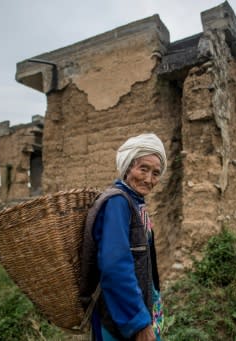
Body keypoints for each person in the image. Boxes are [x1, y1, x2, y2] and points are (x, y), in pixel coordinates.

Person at [80, 133, 166, 341]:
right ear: (128, 167)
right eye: (143, 169)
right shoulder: (117, 203)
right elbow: (115, 267)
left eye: (155, 173)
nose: (149, 179)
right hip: (119, 319)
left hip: (137, 310)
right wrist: (139, 323)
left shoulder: (135, 202)